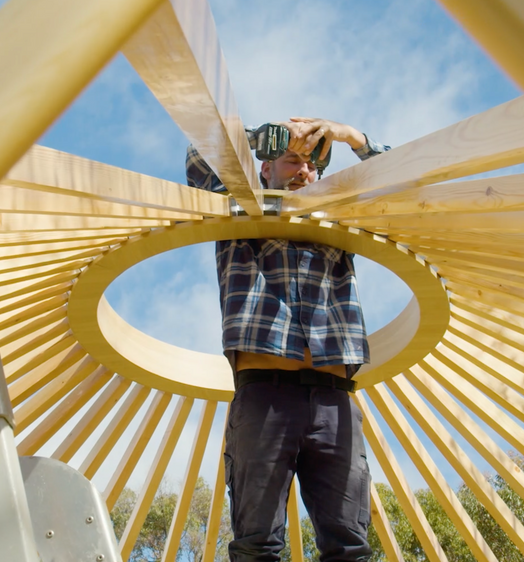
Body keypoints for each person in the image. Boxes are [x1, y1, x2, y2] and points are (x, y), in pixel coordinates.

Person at [186, 117, 391, 562]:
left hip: (335, 398)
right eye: (291, 160)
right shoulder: (237, 206)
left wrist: (350, 136)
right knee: (257, 545)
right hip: (265, 393)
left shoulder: (340, 213)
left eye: (311, 165)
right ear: (264, 170)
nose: (303, 171)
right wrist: (261, 136)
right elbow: (199, 157)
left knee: (351, 547)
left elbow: (400, 183)